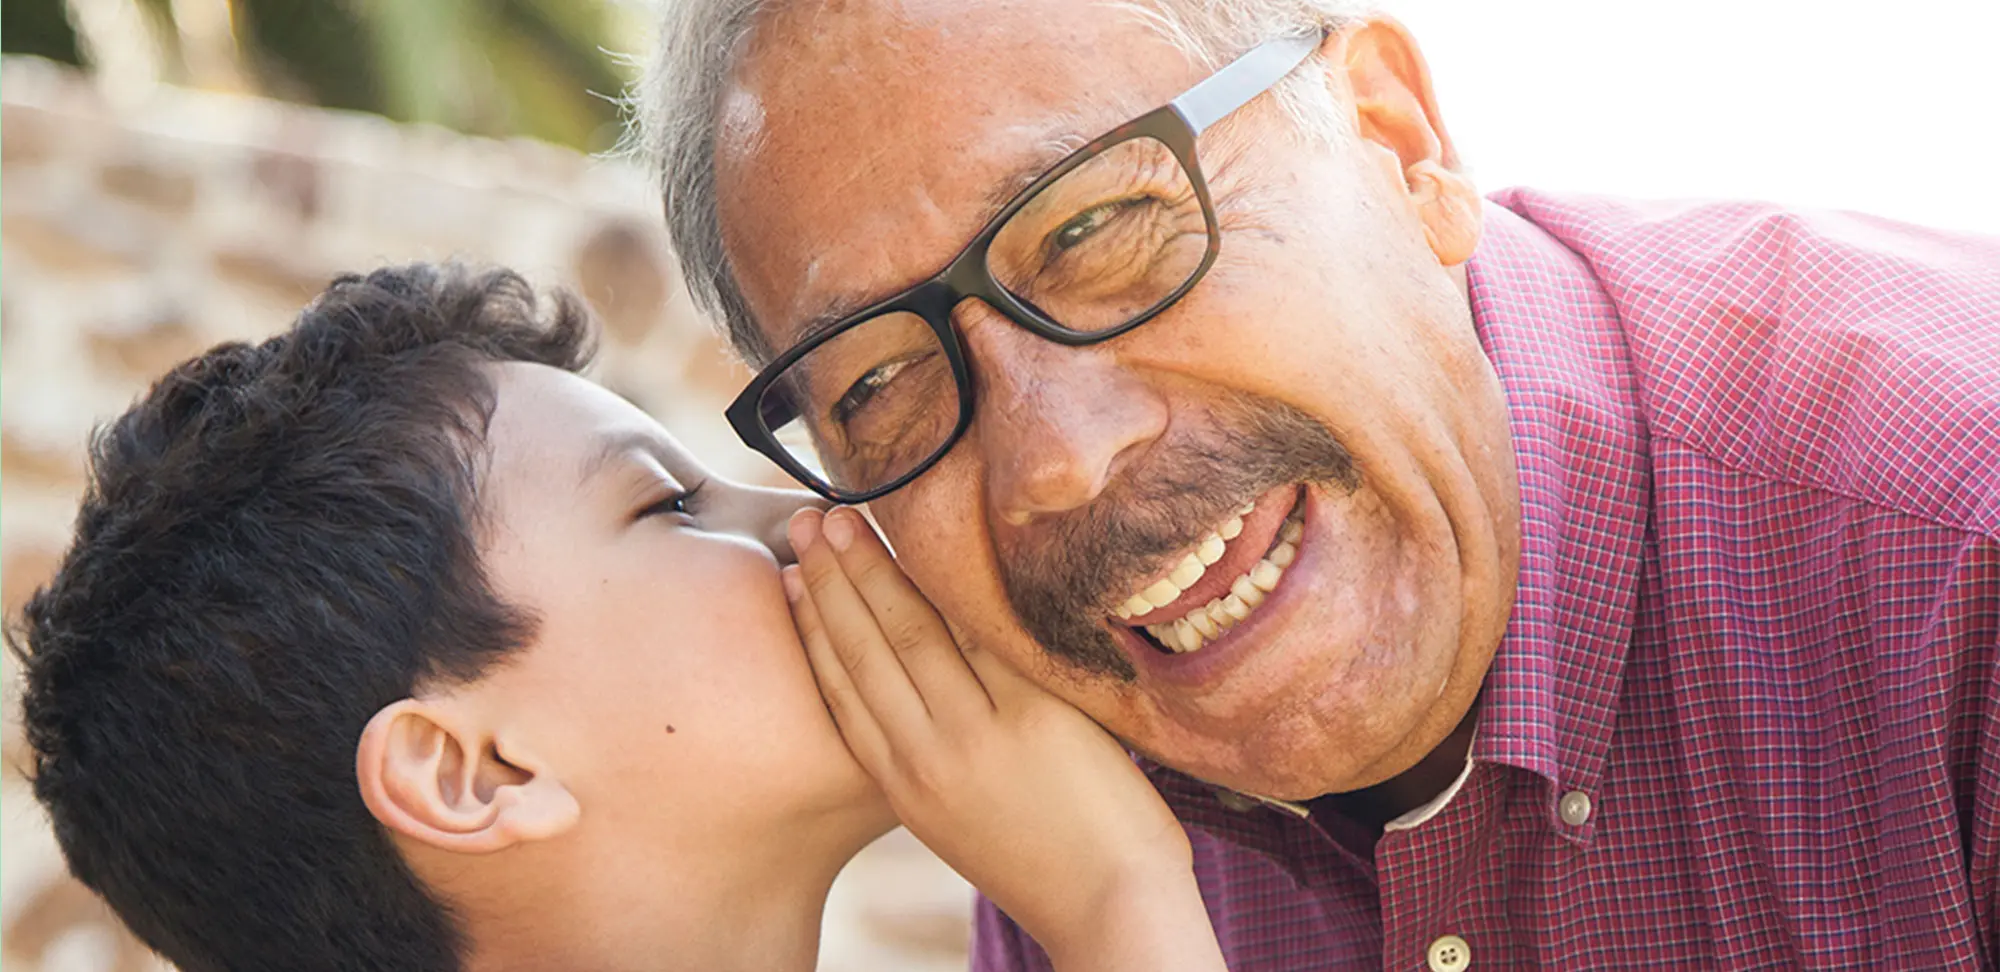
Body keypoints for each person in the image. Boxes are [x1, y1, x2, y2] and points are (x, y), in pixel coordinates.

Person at [636, 0, 2000, 967]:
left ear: (1398, 142)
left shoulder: (1956, 549)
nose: (1056, 464)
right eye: (881, 384)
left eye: (1101, 227)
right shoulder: (1072, 796)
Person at [9, 262, 1230, 972]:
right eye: (665, 505)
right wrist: (1119, 901)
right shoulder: (1107, 909)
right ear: (474, 768)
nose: (808, 515)